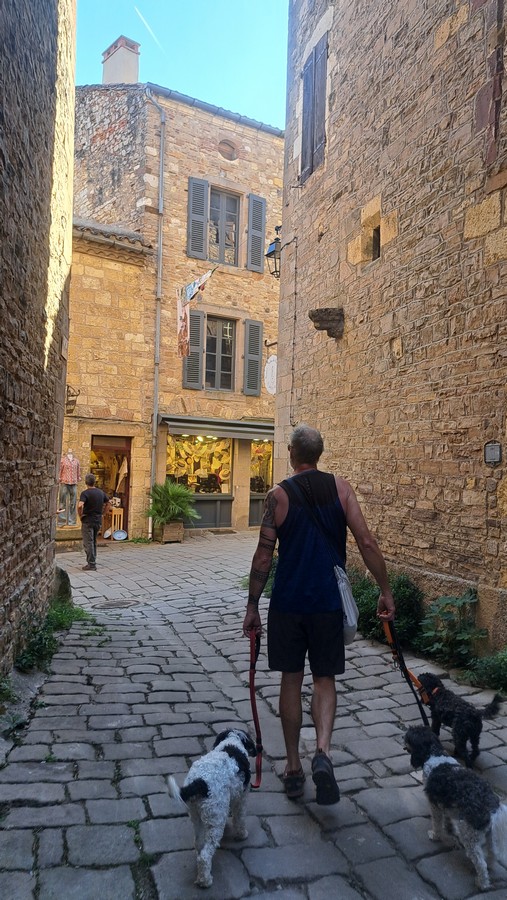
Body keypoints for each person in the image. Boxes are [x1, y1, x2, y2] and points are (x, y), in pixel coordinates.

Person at [243, 424, 395, 805]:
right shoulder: (341, 488)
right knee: (325, 678)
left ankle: (293, 768)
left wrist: (252, 605)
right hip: (328, 602)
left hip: (289, 604)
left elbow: (264, 555)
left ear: (292, 453)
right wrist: (385, 589)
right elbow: (366, 541)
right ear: (320, 454)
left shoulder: (277, 496)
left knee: (291, 681)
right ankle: (323, 752)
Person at [77, 473, 110, 571]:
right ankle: (93, 560)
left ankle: (91, 564)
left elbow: (80, 505)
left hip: (88, 520)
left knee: (88, 542)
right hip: (98, 520)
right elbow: (108, 503)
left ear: (86, 482)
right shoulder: (101, 492)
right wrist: (103, 513)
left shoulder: (85, 493)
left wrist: (80, 515)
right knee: (94, 541)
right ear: (94, 482)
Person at [58, 449, 81, 526]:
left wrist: (78, 478)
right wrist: (59, 478)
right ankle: (61, 521)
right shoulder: (63, 460)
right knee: (62, 502)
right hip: (64, 482)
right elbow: (60, 470)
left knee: (73, 503)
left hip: (74, 483)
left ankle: (72, 521)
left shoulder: (76, 461)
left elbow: (78, 471)